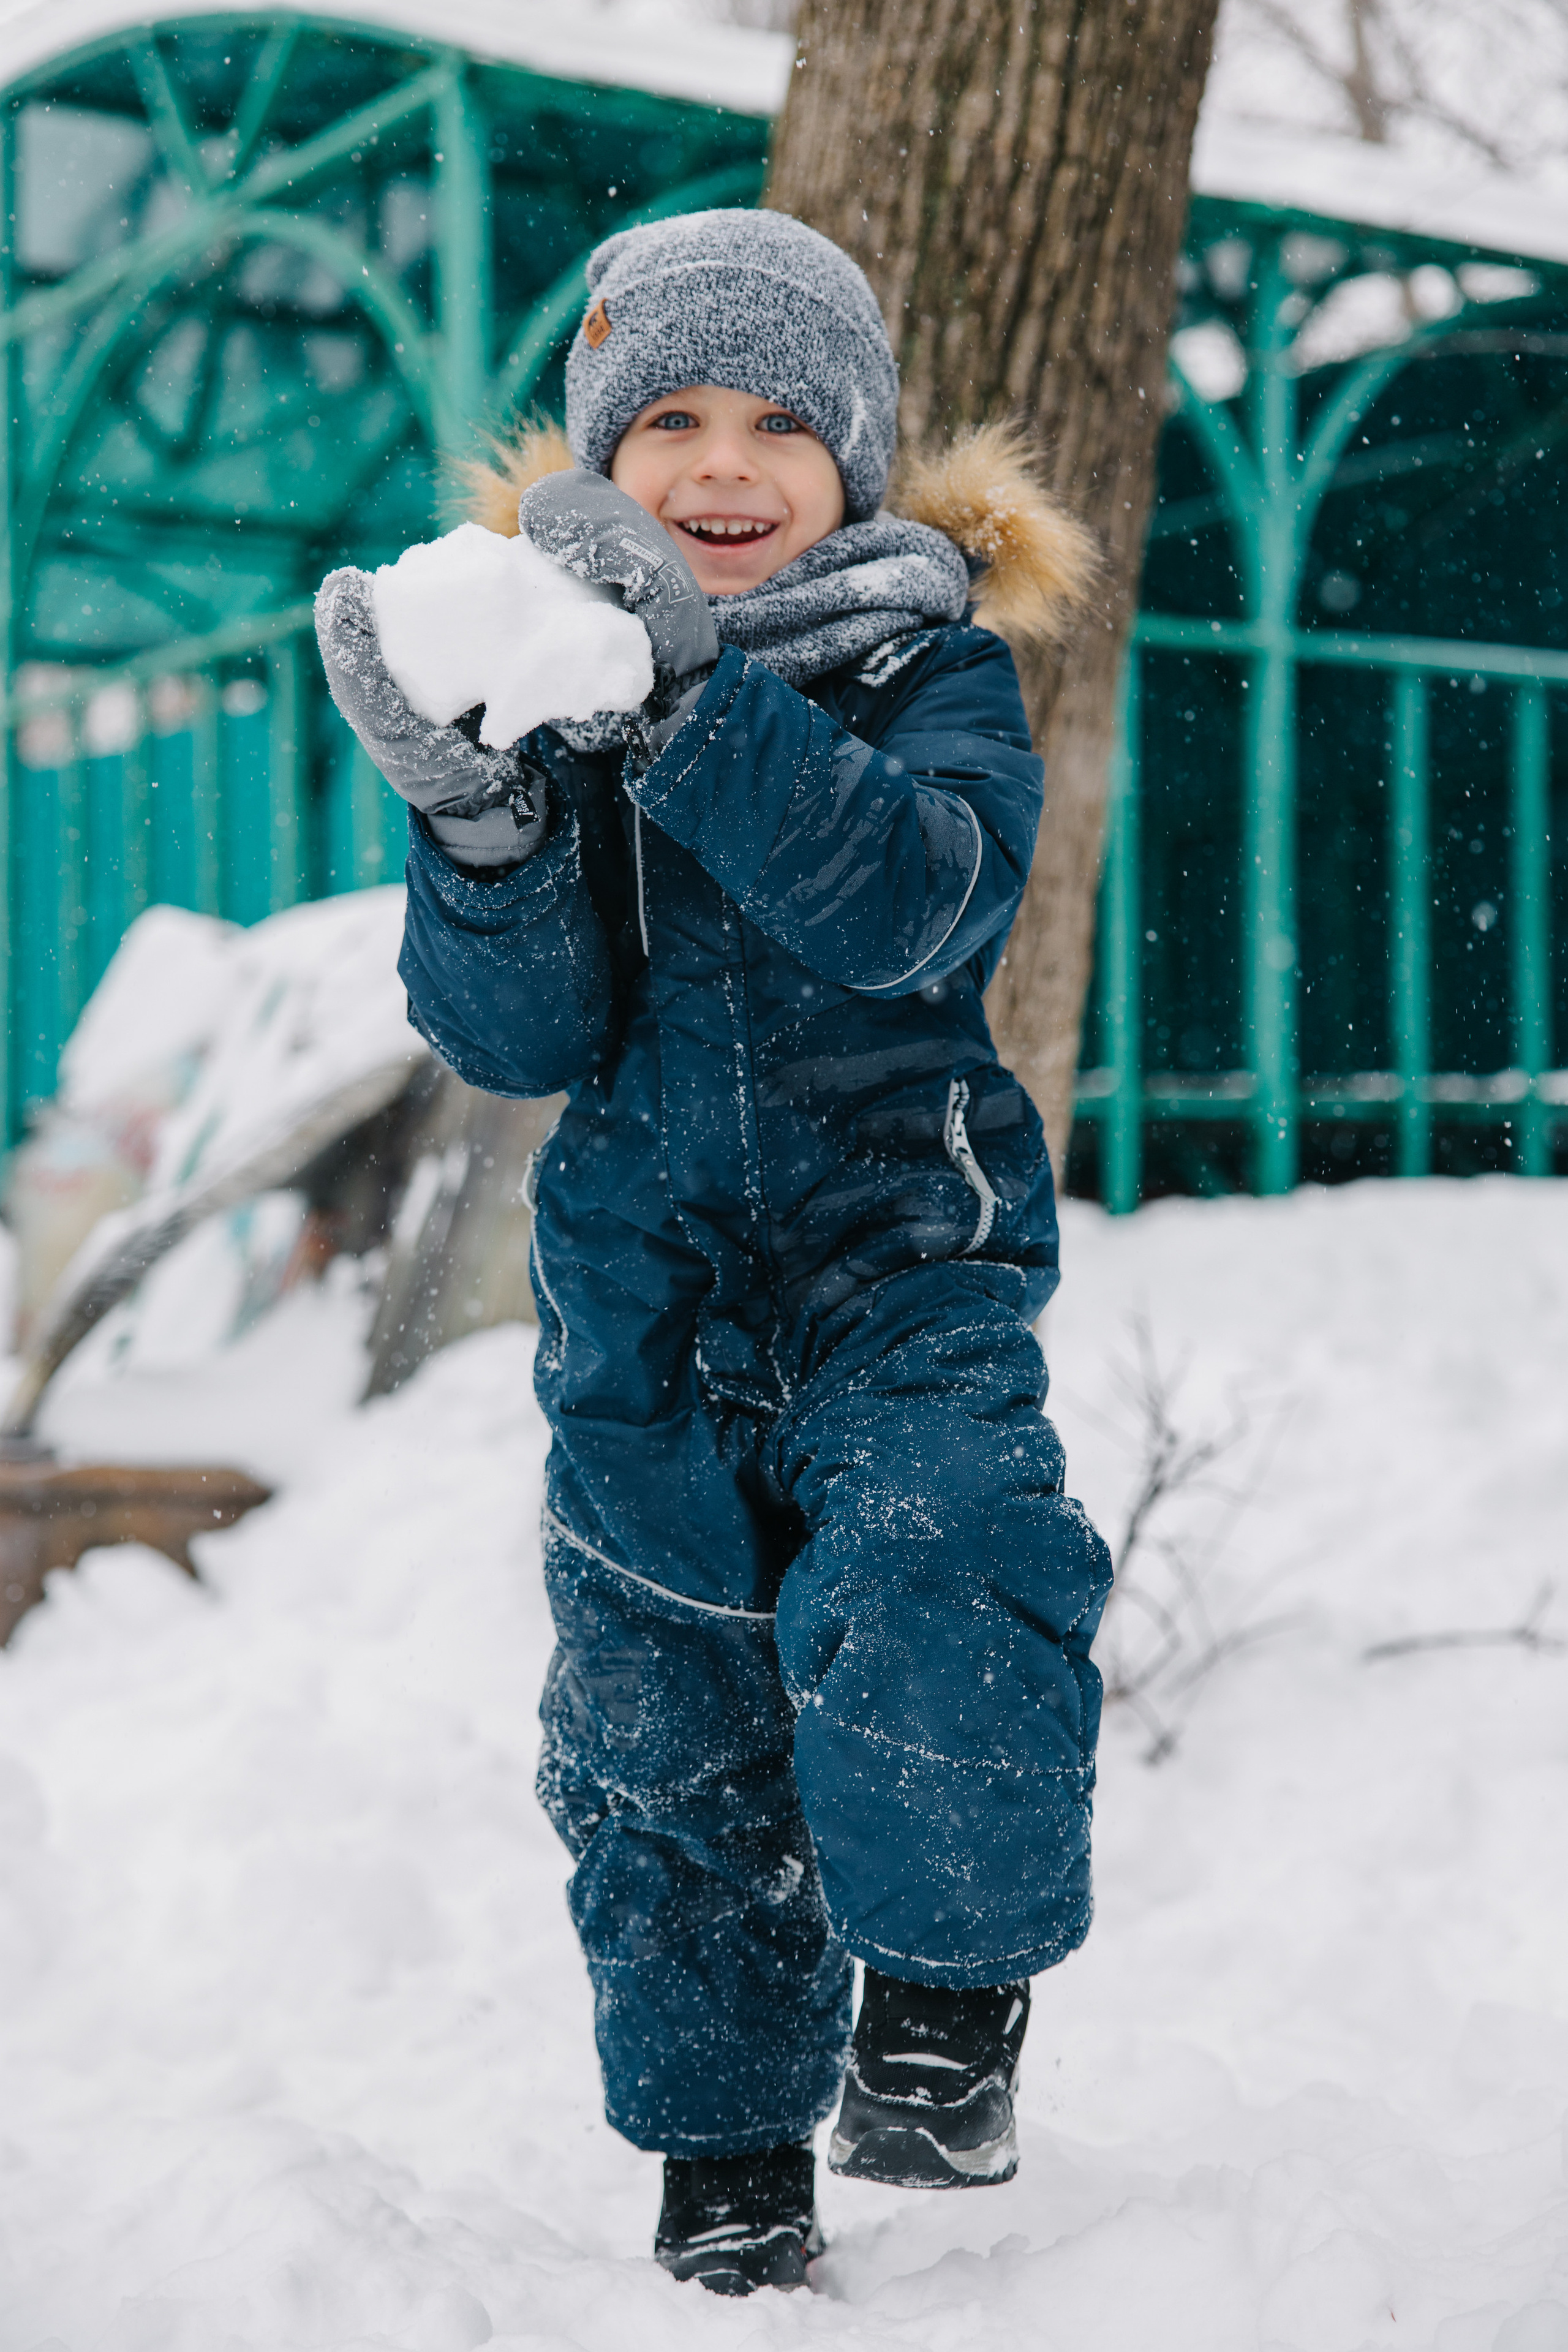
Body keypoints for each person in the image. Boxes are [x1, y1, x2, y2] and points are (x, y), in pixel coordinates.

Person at [317, 207, 1112, 2299]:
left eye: (779, 419)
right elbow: (522, 1034)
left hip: (900, 1271)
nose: (723, 462)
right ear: (597, 454)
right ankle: (728, 2162)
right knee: (665, 1748)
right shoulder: (550, 710)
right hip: (644, 1314)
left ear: (857, 458)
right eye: (667, 416)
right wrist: (482, 830)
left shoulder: (933, 672)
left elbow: (913, 908)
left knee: (949, 1554)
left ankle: (941, 2013)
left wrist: (687, 702)